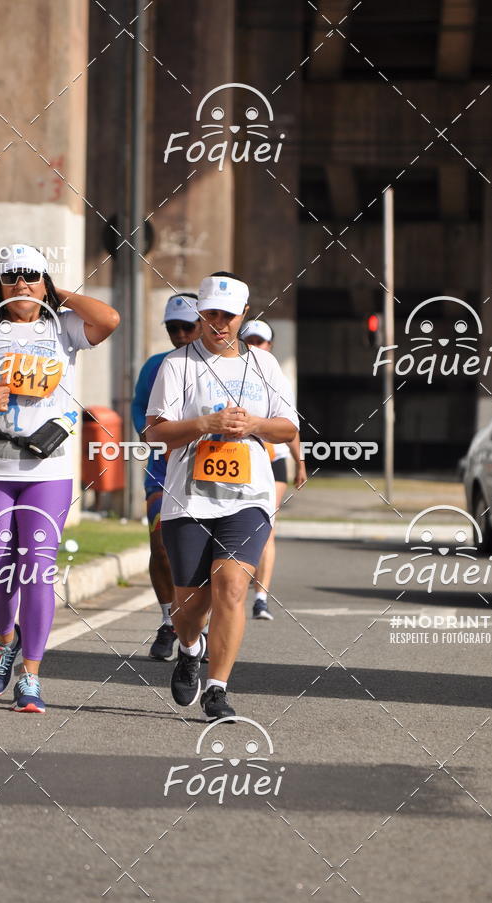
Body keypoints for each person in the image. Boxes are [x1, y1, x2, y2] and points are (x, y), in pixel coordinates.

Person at [0, 244, 119, 713]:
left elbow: (109, 319)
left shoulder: (64, 328)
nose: (22, 284)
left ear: (45, 282)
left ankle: (31, 675)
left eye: (32, 276)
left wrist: (60, 294)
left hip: (48, 471)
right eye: (13, 277)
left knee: (37, 569)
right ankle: (5, 638)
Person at [145, 272, 298, 721]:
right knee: (189, 608)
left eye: (227, 316)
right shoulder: (177, 365)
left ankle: (217, 688)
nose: (218, 324)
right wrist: (205, 425)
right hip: (189, 499)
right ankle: (191, 649)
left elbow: (288, 428)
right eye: (210, 314)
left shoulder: (265, 366)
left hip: (247, 496)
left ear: (243, 315)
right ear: (200, 314)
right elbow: (155, 431)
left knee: (231, 586)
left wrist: (252, 425)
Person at [132, 292, 202, 661]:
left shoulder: (224, 365)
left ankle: (199, 625)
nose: (179, 334)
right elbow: (139, 410)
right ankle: (168, 621)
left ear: (203, 324)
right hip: (163, 472)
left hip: (210, 475)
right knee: (160, 546)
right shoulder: (156, 365)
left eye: (186, 327)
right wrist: (156, 438)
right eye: (172, 328)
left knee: (201, 556)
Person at [239, 318, 307, 620]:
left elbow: (289, 424)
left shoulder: (275, 375)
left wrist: (300, 461)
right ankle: (233, 587)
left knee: (265, 527)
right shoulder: (226, 370)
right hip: (234, 459)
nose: (254, 346)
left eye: (260, 341)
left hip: (272, 459)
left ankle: (261, 597)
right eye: (249, 340)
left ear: (270, 346)